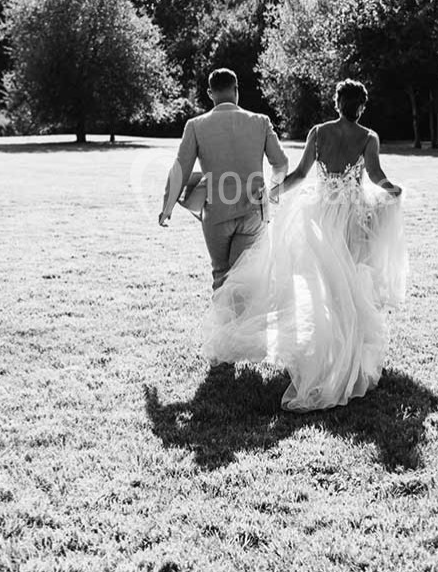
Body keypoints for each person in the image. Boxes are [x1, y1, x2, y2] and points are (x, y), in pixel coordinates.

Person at [205, 78, 408, 412]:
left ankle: (323, 348)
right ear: (361, 106)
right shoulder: (368, 137)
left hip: (319, 214)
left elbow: (299, 175)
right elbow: (375, 177)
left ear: (336, 101)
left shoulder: (318, 132)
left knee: (320, 285)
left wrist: (274, 192)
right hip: (351, 218)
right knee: (348, 282)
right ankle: (345, 350)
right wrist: (395, 190)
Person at [159, 68, 289, 291]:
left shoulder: (196, 125)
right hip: (252, 212)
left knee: (221, 275)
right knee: (246, 278)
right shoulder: (260, 121)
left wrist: (167, 207)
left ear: (210, 93)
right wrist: (274, 193)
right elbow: (281, 162)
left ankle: (224, 324)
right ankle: (244, 325)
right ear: (236, 90)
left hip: (216, 213)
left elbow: (180, 169)